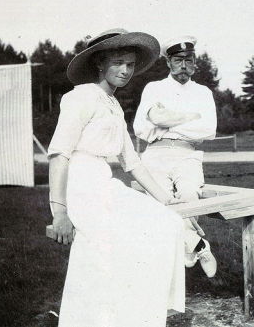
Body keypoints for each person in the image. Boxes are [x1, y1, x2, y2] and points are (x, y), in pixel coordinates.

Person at [48, 28, 185, 327]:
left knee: (166, 222)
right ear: (100, 63)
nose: (125, 70)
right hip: (82, 186)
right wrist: (59, 212)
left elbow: (132, 162)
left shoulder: (113, 105)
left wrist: (167, 199)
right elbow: (60, 154)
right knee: (123, 243)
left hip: (104, 183)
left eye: (131, 64)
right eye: (118, 62)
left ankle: (135, 317)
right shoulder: (82, 96)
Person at [133, 35, 218, 277]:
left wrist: (166, 121)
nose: (183, 65)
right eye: (178, 60)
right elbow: (141, 127)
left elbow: (208, 129)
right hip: (155, 153)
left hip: (187, 153)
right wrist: (189, 117)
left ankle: (187, 249)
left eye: (188, 60)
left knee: (190, 194)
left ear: (195, 62)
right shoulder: (154, 88)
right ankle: (199, 246)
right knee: (160, 201)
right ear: (168, 62)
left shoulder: (203, 93)